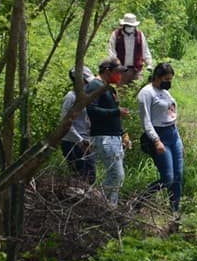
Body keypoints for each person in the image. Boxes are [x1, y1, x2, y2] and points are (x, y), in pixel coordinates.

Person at [137, 62, 184, 213]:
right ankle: (140, 200)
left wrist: (179, 141)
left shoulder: (165, 92)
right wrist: (156, 141)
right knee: (167, 178)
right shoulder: (146, 93)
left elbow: (171, 115)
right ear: (157, 77)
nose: (168, 82)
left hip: (173, 135)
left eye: (170, 79)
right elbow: (146, 121)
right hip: (159, 136)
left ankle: (174, 211)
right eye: (166, 79)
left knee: (178, 176)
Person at [86, 58, 130, 205]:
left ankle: (111, 207)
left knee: (117, 176)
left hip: (114, 136)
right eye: (117, 72)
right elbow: (91, 110)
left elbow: (114, 114)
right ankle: (99, 203)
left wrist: (123, 133)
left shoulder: (108, 88)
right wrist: (116, 112)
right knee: (116, 174)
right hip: (104, 136)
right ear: (107, 71)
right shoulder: (94, 86)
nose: (120, 76)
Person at [60, 66, 97, 183]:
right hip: (72, 142)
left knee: (91, 175)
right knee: (80, 176)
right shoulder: (71, 97)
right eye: (86, 82)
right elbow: (66, 122)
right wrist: (80, 140)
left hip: (86, 141)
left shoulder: (87, 97)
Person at [108, 12, 152, 83]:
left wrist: (149, 64)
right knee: (120, 92)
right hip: (121, 70)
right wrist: (116, 65)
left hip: (136, 71)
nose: (129, 27)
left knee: (135, 91)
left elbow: (145, 50)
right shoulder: (116, 35)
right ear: (123, 25)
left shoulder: (140, 35)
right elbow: (112, 51)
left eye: (131, 26)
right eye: (127, 25)